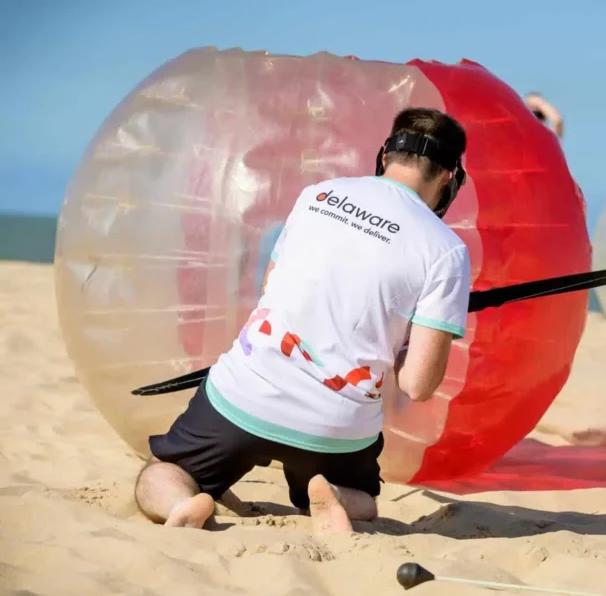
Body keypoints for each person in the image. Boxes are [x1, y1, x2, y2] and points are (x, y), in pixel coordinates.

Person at [134, 108, 473, 534]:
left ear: (386, 154)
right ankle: (333, 494)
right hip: (336, 425)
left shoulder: (320, 195)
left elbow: (271, 289)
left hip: (247, 392)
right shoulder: (446, 249)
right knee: (366, 503)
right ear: (449, 177)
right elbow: (418, 385)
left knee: (161, 472)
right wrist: (402, 338)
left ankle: (183, 502)